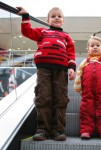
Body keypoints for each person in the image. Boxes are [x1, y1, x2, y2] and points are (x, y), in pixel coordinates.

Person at [17, 6, 76, 141]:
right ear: (48, 20)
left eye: (59, 16)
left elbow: (71, 54)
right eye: (53, 16)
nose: (56, 18)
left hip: (61, 70)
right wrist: (26, 16)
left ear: (63, 21)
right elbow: (27, 32)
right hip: (44, 69)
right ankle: (43, 129)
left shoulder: (66, 37)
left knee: (60, 99)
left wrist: (71, 67)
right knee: (43, 97)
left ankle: (58, 130)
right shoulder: (42, 31)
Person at [74, 36, 101, 140]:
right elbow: (79, 74)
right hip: (87, 91)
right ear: (88, 49)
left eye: (97, 45)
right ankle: (86, 130)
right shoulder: (85, 62)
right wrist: (78, 87)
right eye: (92, 45)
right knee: (86, 109)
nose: (95, 47)